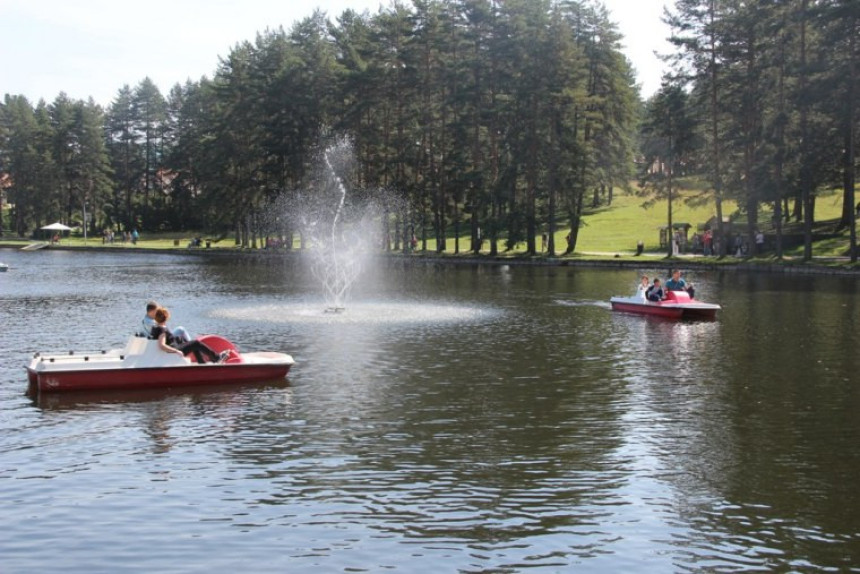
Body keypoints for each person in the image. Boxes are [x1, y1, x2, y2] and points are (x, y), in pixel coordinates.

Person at [151, 307, 224, 364]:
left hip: (174, 347)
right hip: (175, 350)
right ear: (166, 317)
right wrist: (176, 351)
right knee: (196, 343)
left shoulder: (155, 327)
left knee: (190, 343)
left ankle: (201, 362)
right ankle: (216, 357)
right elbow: (162, 345)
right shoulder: (162, 330)